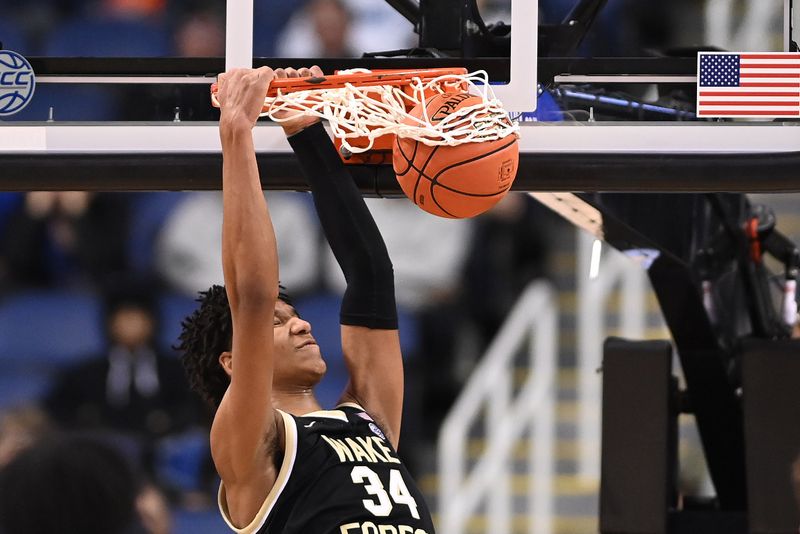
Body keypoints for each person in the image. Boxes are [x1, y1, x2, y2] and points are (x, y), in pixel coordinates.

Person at [177, 66, 435, 533]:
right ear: (232, 362)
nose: (301, 325)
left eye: (293, 316)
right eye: (280, 322)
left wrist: (304, 128)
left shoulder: (369, 419)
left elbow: (371, 276)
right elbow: (252, 297)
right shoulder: (249, 439)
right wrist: (237, 132)